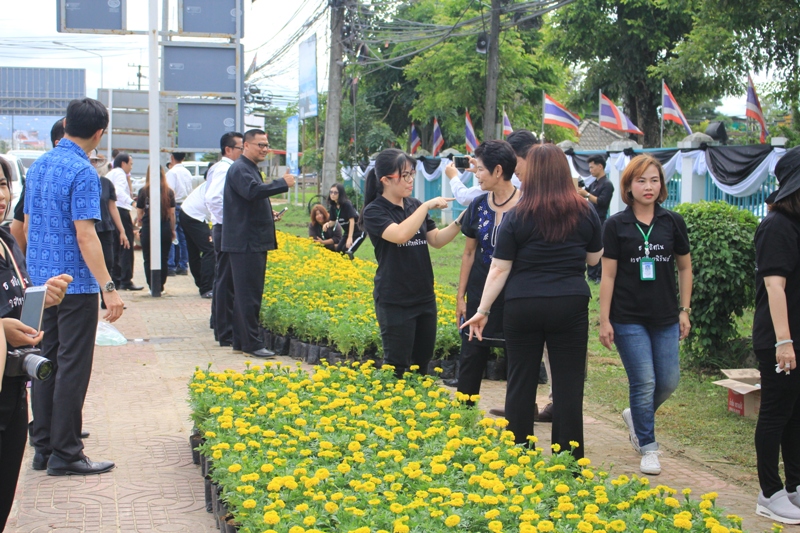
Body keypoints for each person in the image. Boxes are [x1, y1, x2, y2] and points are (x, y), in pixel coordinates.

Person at [462, 144, 603, 459]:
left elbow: (500, 268)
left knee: (521, 381)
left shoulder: (518, 214)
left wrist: (482, 310)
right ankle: (568, 460)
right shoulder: (584, 210)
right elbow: (594, 258)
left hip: (523, 303)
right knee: (568, 385)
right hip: (570, 304)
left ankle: (520, 454)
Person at [26, 97, 124, 476]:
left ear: (66, 124)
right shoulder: (84, 172)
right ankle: (66, 452)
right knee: (72, 366)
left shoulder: (39, 164)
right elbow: (86, 235)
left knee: (45, 362)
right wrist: (108, 287)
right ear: (99, 133)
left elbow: (29, 224)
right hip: (75, 284)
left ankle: (43, 446)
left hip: (42, 283)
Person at [597, 154, 692, 476]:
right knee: (644, 381)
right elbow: (608, 275)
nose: (648, 186)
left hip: (665, 317)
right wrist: (605, 320)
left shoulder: (672, 222)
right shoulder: (615, 225)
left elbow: (685, 267)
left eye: (654, 180)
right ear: (629, 186)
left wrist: (684, 310)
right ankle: (648, 447)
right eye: (641, 181)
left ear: (661, 185)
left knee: (668, 381)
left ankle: (636, 416)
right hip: (627, 317)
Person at [0, 156, 72, 530]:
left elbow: (15, 303)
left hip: (13, 389)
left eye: (2, 185)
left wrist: (42, 298)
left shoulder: (6, 242)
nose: (0, 195)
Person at [361, 148, 462, 378]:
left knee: (421, 363)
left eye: (412, 174)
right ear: (386, 180)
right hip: (395, 299)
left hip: (424, 296)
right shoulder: (374, 211)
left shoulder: (414, 205)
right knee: (396, 365)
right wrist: (426, 206)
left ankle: (417, 400)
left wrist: (460, 222)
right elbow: (400, 235)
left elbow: (436, 240)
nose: (410, 180)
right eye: (404, 175)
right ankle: (392, 400)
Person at [445, 140, 520, 405]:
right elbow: (468, 253)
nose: (476, 175)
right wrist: (461, 297)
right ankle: (464, 413)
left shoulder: (526, 206)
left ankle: (518, 418)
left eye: (480, 169)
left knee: (518, 358)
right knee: (471, 354)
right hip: (479, 291)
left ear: (498, 171)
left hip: (515, 294)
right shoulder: (478, 205)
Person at [752, 146, 800, 524]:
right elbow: (774, 286)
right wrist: (784, 342)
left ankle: (795, 485)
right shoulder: (777, 226)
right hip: (780, 340)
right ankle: (769, 492)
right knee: (775, 413)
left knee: (795, 415)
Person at [222, 129, 294, 358]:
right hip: (246, 243)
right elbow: (252, 192)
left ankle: (241, 341)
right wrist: (282, 183)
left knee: (246, 294)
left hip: (250, 241)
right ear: (246, 145)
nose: (265, 149)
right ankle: (251, 344)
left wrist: (266, 212)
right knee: (249, 295)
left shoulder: (249, 168)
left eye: (266, 145)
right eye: (260, 145)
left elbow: (248, 200)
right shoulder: (241, 168)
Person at [206, 132, 243, 348]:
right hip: (226, 228)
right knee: (226, 281)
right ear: (228, 150)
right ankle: (225, 331)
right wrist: (230, 221)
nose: (243, 152)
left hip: (223, 226)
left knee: (223, 279)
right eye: (241, 148)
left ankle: (221, 326)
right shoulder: (225, 169)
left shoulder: (223, 168)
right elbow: (213, 199)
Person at [11, 118, 65, 255]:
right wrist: (19, 264)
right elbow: (19, 226)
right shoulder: (38, 177)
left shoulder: (83, 176)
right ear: (58, 143)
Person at [92, 152, 130, 310]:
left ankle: (107, 297)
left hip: (105, 228)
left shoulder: (106, 183)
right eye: (90, 161)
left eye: (94, 161)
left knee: (109, 261)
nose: (93, 164)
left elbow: (112, 207)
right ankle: (92, 299)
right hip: (88, 228)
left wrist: (122, 231)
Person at [137, 166, 176, 294]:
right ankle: (160, 286)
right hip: (165, 227)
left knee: (148, 258)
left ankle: (151, 286)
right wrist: (172, 229)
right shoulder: (168, 192)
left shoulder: (143, 191)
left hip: (148, 227)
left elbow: (139, 213)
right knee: (163, 258)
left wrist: (140, 225)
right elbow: (171, 214)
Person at [107, 152, 143, 291]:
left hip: (111, 212)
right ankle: (126, 280)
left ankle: (116, 278)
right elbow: (119, 192)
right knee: (126, 245)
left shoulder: (111, 173)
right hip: (121, 211)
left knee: (116, 246)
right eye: (130, 164)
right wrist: (132, 203)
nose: (131, 167)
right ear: (123, 163)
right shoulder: (120, 174)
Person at [579, 154, 614, 283]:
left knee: (598, 247)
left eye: (592, 167)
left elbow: (602, 201)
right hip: (591, 218)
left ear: (600, 166)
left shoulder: (607, 184)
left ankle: (599, 275)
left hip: (600, 219)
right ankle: (591, 275)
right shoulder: (594, 183)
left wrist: (586, 194)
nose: (590, 170)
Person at [179, 172, 214, 299]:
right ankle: (207, 287)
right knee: (210, 249)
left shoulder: (212, 182)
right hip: (194, 216)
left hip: (187, 212)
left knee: (194, 251)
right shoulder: (217, 184)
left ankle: (202, 284)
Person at [165, 152, 193, 276]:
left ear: (172, 158)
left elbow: (169, 192)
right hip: (186, 205)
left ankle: (170, 265)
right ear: (184, 158)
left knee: (172, 234)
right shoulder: (187, 172)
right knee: (183, 237)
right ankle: (183, 265)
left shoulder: (172, 173)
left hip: (174, 205)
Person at [327, 183, 365, 257]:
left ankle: (353, 264)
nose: (332, 194)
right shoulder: (333, 207)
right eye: (331, 192)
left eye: (335, 192)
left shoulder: (347, 204)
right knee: (338, 251)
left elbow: (352, 221)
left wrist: (350, 238)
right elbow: (333, 221)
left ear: (340, 194)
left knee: (347, 251)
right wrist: (327, 224)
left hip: (359, 232)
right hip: (347, 232)